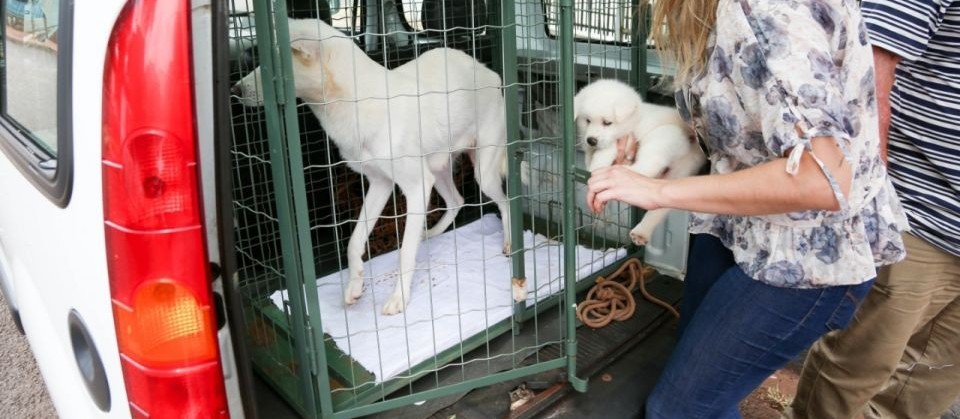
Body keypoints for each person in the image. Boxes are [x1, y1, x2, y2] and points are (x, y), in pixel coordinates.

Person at [585, 0, 910, 416]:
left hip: (806, 252)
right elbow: (745, 117)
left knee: (678, 408)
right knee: (704, 383)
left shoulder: (766, 11)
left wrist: (657, 192)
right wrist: (645, 135)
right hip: (740, 227)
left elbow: (820, 179)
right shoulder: (714, 14)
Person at [785, 0, 960, 417]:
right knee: (859, 360)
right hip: (919, 208)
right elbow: (872, 54)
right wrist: (871, 182)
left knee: (937, 372)